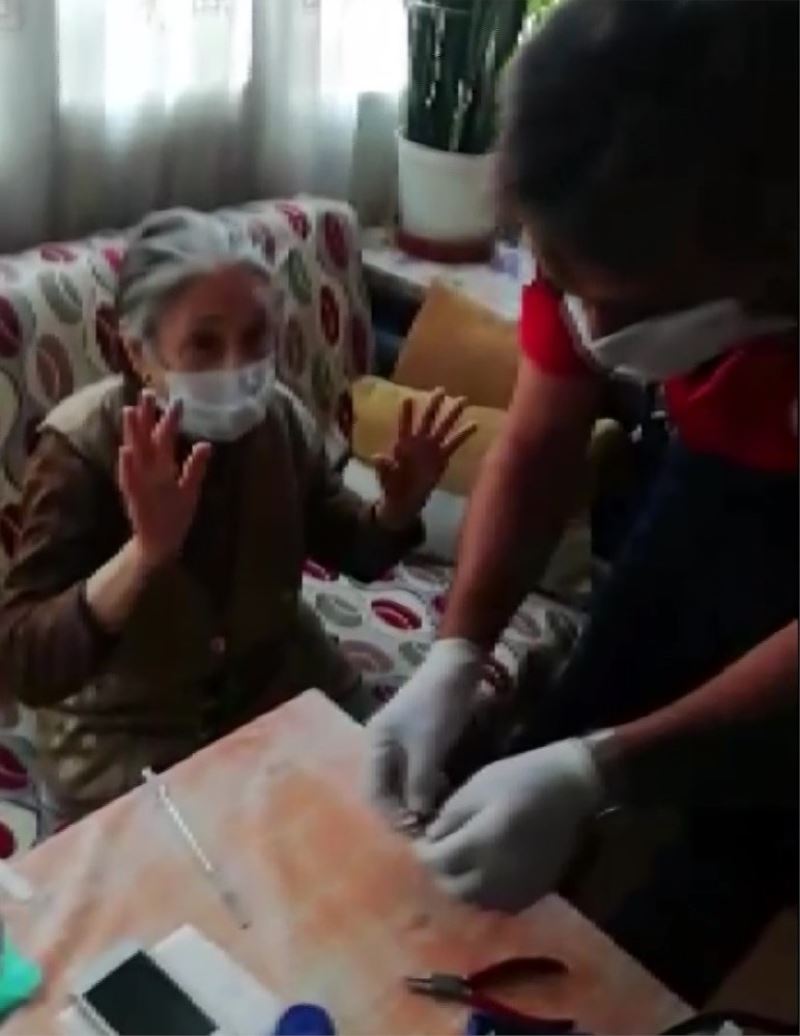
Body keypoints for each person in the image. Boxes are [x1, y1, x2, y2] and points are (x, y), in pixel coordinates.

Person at [367, 0, 798, 1004]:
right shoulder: (592, 193)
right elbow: (537, 437)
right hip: (714, 476)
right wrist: (457, 651)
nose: (589, 329)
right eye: (563, 283)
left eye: (628, 306)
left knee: (739, 839)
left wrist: (603, 770)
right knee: (577, 709)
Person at [0, 208, 475, 822]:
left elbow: (351, 549)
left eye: (255, 339)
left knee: (400, 815)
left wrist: (395, 511)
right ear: (139, 352)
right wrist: (143, 556)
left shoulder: (279, 418)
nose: (236, 369)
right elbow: (26, 661)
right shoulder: (82, 451)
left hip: (279, 681)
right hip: (131, 733)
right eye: (203, 344)